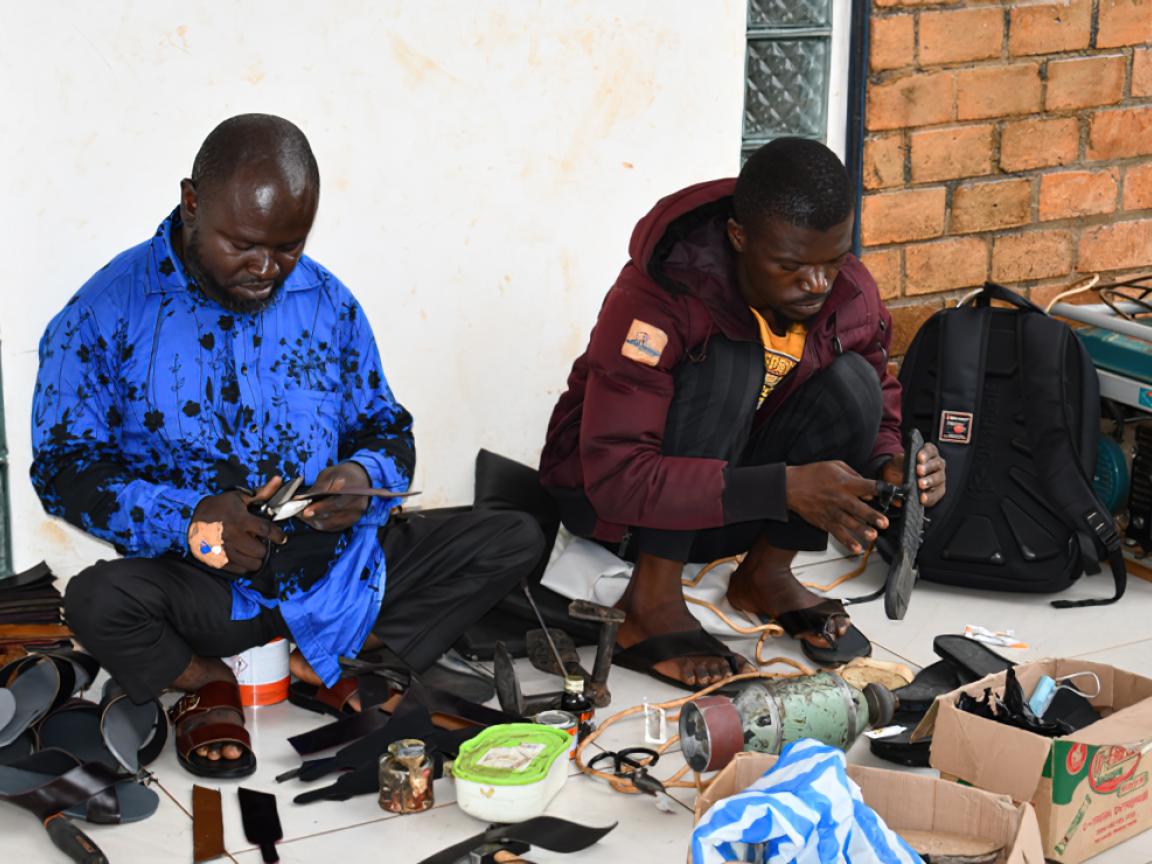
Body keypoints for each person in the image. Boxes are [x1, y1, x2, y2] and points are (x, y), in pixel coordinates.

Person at [31, 114, 543, 778]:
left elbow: (386, 428)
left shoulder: (327, 301)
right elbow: (64, 470)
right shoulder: (104, 312)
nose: (267, 268)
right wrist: (189, 522)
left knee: (514, 536)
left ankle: (319, 659)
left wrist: (361, 478)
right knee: (96, 600)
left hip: (336, 565)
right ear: (192, 203)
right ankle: (209, 678)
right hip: (204, 581)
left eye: (289, 246)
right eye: (243, 244)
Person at [539, 138, 946, 691]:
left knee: (855, 384)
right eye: (791, 265)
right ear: (738, 237)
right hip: (616, 517)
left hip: (728, 508)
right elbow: (617, 479)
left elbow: (879, 399)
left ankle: (764, 575)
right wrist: (785, 488)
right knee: (729, 362)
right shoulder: (661, 297)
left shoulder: (850, 294)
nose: (817, 283)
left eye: (832, 261)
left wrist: (889, 466)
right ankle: (651, 602)